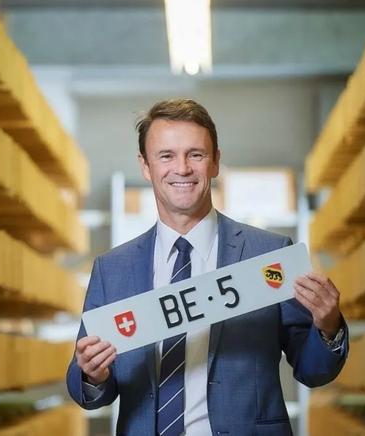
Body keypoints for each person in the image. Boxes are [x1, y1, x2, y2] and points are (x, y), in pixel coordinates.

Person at [66, 98, 348, 436]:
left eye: (195, 154)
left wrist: (328, 327)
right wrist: (92, 374)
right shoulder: (111, 270)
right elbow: (89, 390)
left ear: (215, 162)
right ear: (145, 166)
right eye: (166, 155)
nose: (182, 168)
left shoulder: (270, 255)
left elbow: (312, 369)